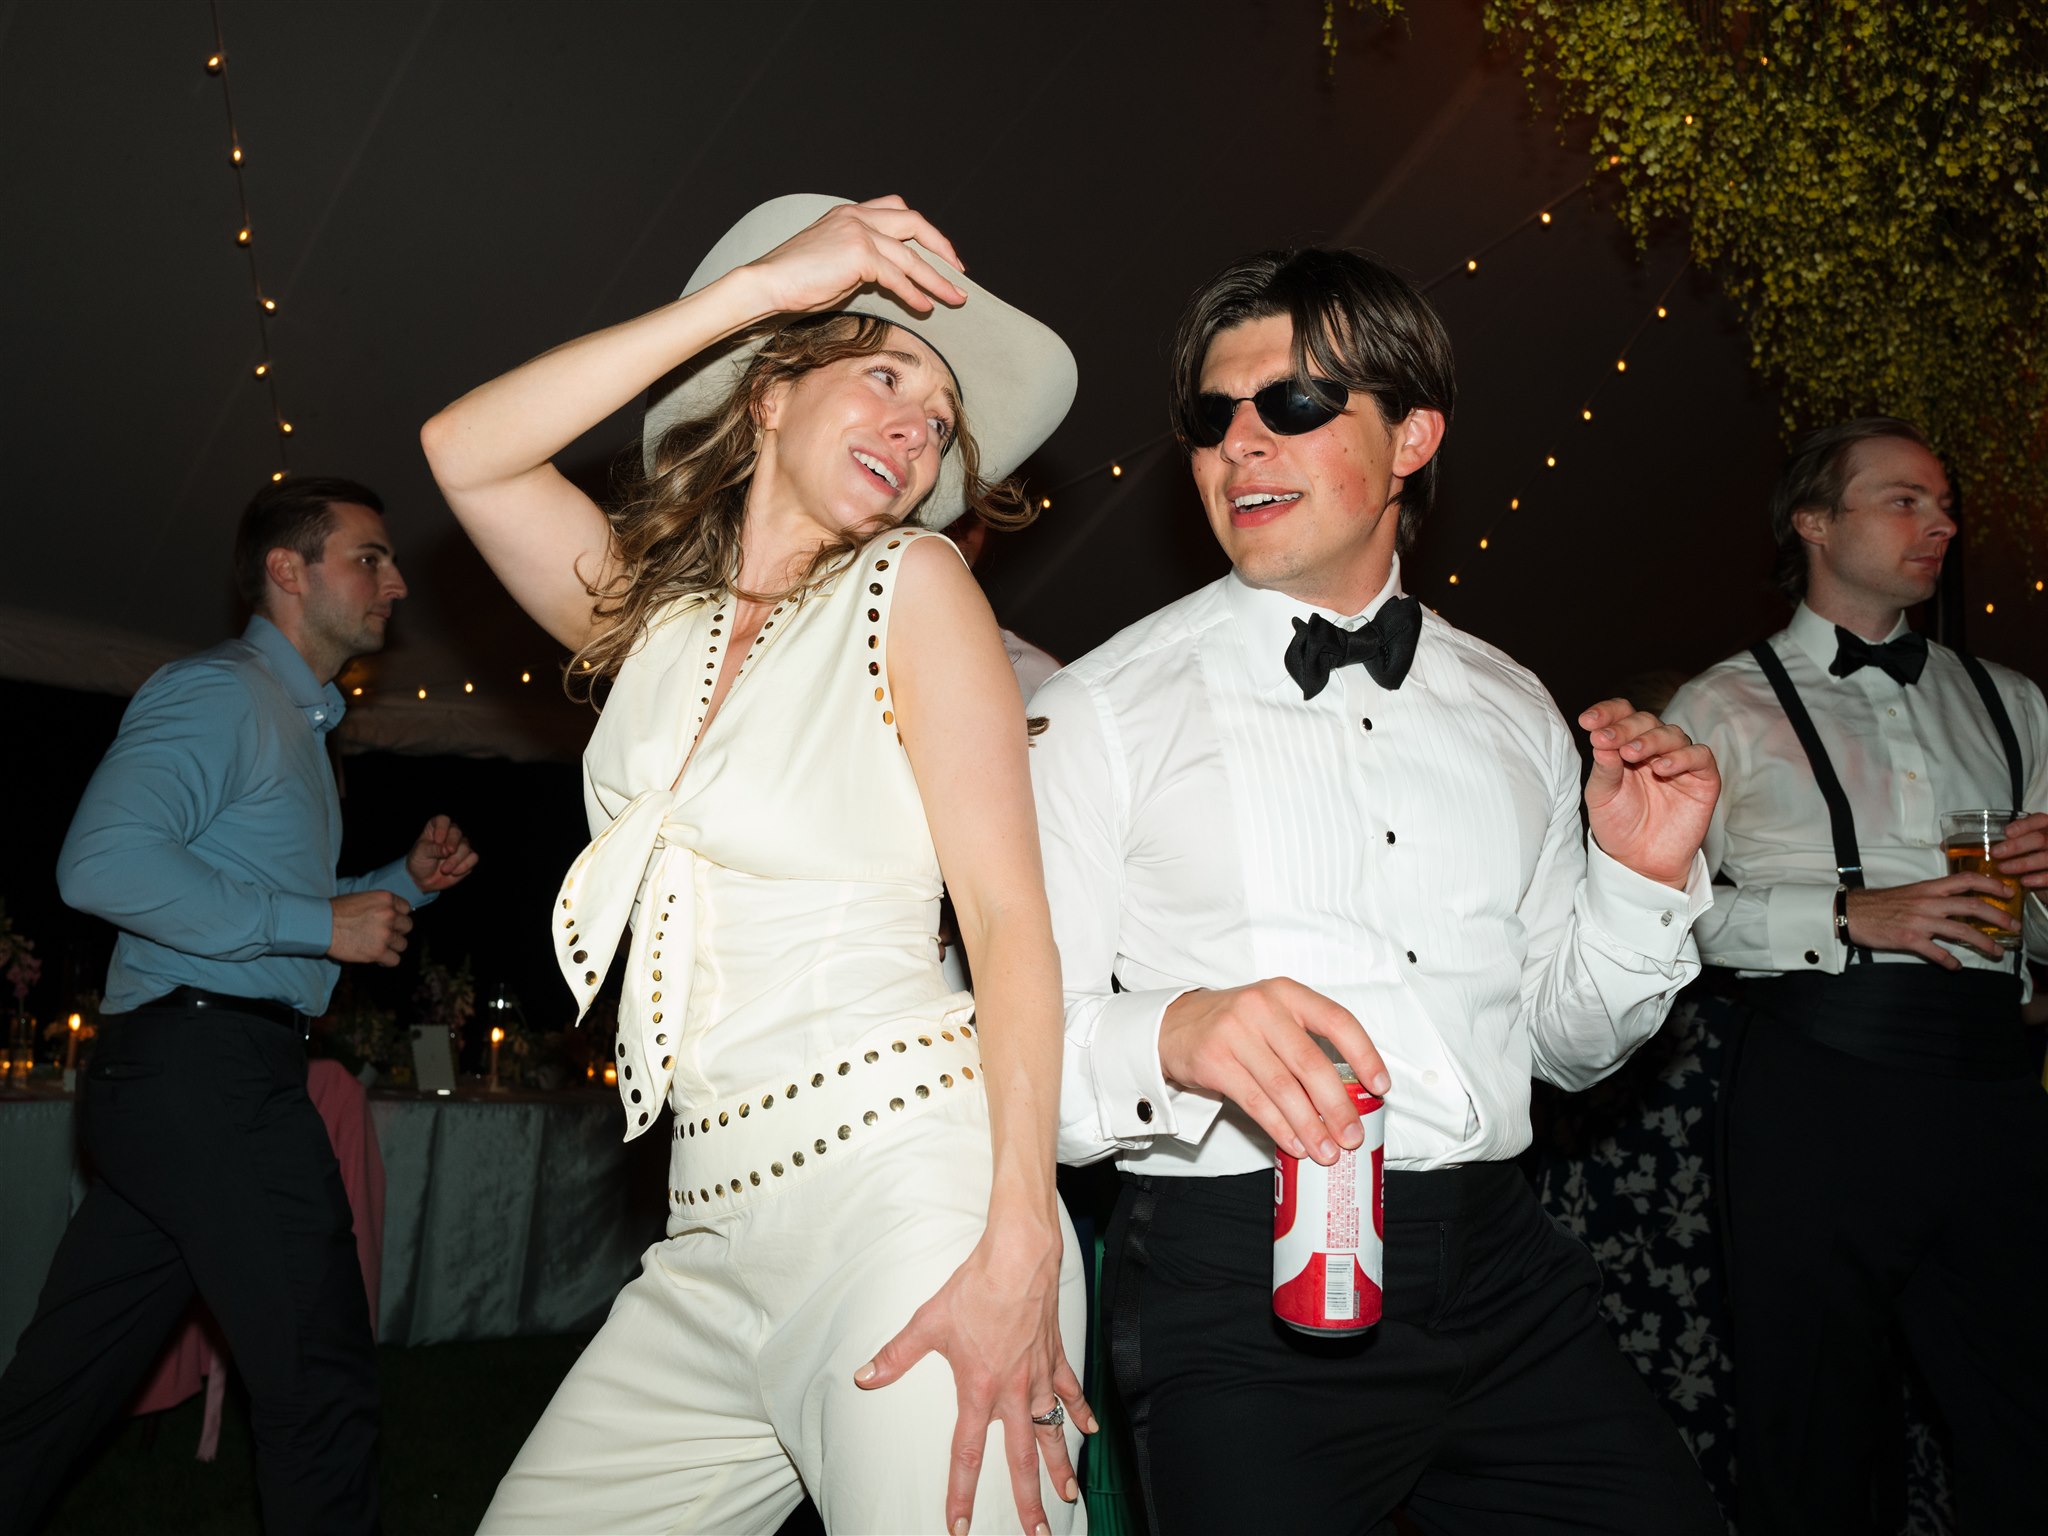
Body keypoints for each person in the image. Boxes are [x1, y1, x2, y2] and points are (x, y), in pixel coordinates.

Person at [421, 193, 1093, 1536]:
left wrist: (1018, 1237)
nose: (917, 429)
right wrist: (756, 293)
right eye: (885, 371)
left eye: (942, 426)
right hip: (705, 1235)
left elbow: (1012, 924)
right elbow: (466, 451)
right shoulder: (652, 616)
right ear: (772, 393)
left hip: (911, 1199)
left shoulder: (914, 586)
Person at [1029, 245, 1728, 1534]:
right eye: (1211, 418)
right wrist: (1169, 1034)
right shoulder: (1096, 714)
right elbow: (1011, 1059)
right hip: (1240, 1285)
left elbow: (1566, 1047)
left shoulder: (1514, 705)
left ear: (1411, 436)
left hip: (1502, 1268)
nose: (1240, 444)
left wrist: (1641, 877)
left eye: (1292, 405)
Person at [0, 476, 477, 1536]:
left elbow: (271, 904)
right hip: (207, 1077)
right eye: (369, 556)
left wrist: (399, 882)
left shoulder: (299, 729)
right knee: (321, 1390)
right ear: (286, 570)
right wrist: (323, 926)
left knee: (58, 1392)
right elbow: (102, 863)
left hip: (176, 1085)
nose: (396, 581)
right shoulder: (219, 691)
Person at [1664, 417, 2048, 1534]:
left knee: (2024, 1410)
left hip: (1991, 1077)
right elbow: (1661, 920)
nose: (1940, 525)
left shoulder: (2012, 700)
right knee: (1814, 1418)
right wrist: (1843, 913)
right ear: (1814, 523)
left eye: (1941, 505)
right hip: (1821, 1072)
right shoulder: (1718, 706)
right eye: (1903, 501)